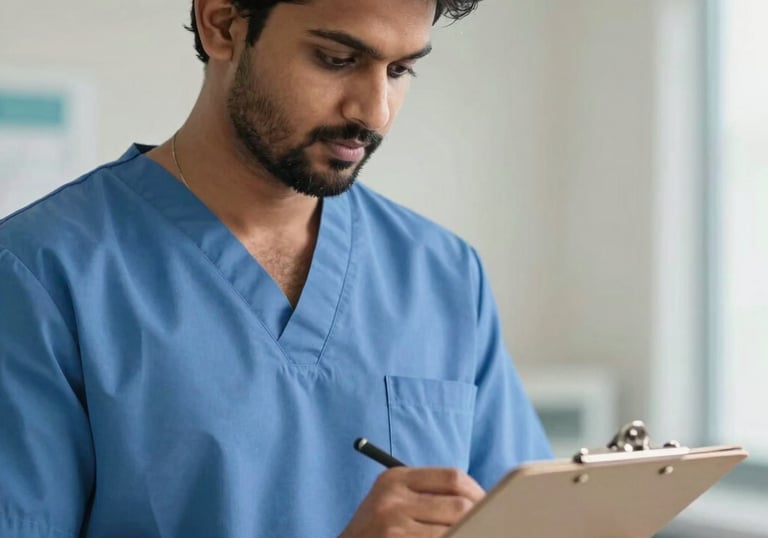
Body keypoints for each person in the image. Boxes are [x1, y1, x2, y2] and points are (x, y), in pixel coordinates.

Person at [0, 0, 552, 536]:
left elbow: (526, 519)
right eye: (336, 59)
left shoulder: (444, 275)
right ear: (222, 24)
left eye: (401, 69)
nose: (374, 111)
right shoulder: (40, 274)